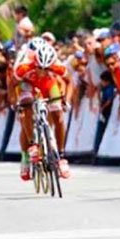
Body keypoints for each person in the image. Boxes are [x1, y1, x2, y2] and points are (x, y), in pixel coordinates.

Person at [14, 39, 71, 181]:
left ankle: (61, 156)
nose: (43, 71)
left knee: (58, 115)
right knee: (26, 107)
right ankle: (30, 149)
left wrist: (66, 100)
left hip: (48, 84)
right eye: (40, 67)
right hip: (28, 84)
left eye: (47, 69)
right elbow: (12, 84)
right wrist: (15, 102)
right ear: (35, 62)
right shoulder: (24, 65)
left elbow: (69, 81)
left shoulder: (57, 66)